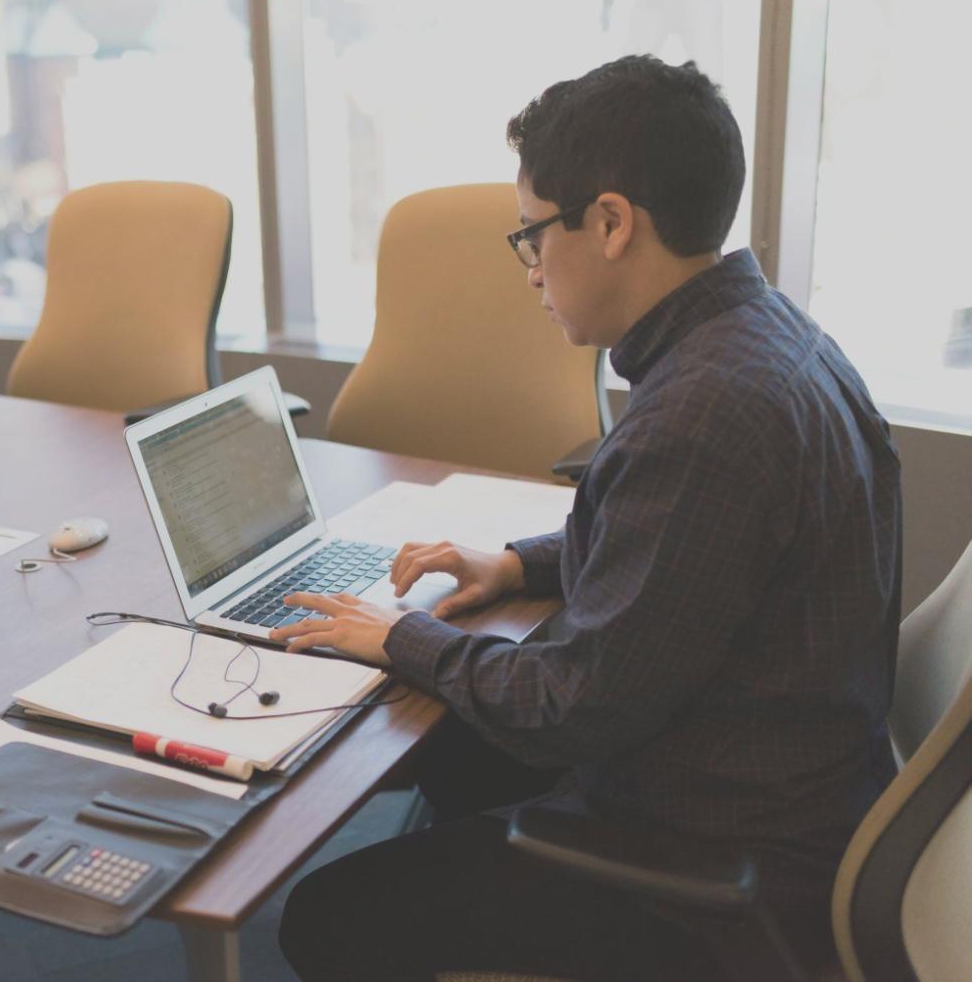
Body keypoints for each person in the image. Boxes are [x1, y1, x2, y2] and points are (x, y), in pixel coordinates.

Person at [273, 55, 901, 982]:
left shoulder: (704, 414)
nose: (529, 271)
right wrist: (523, 566)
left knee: (325, 916)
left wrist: (402, 637)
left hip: (718, 857)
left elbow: (570, 708)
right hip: (787, 779)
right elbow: (696, 549)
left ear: (609, 223)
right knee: (454, 763)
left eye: (531, 235)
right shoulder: (766, 338)